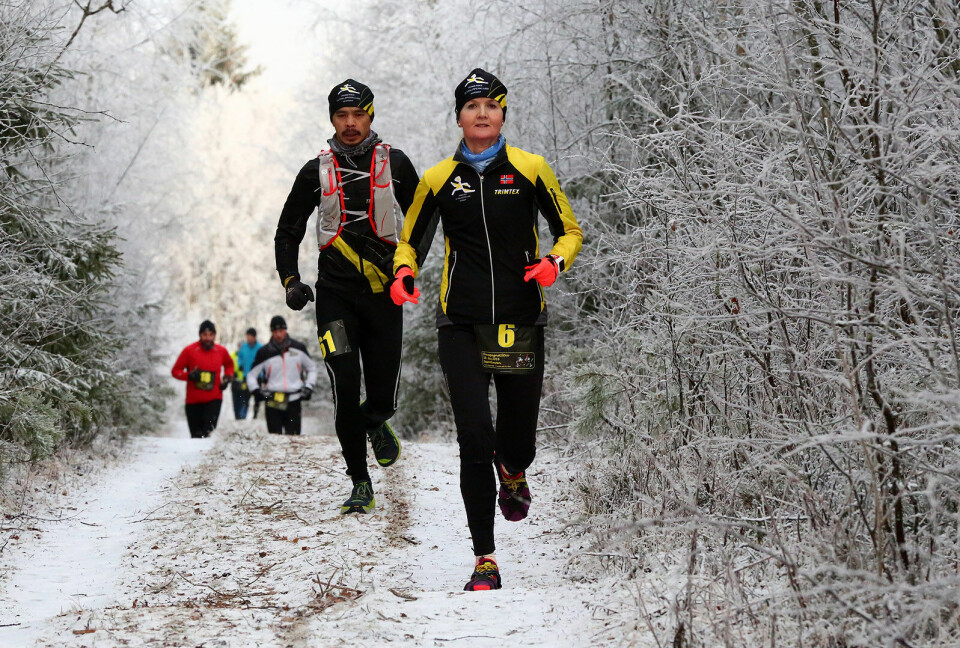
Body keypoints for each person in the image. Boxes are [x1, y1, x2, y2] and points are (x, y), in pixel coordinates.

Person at [391, 68, 583, 591]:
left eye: (491, 106)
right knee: (474, 437)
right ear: (458, 116)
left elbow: (570, 231)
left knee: (516, 438)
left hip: (520, 319)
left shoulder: (530, 168)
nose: (481, 113)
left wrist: (555, 264)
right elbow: (410, 243)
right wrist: (404, 273)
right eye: (471, 106)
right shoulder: (436, 179)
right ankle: (485, 558)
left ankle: (514, 468)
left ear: (502, 115)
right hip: (461, 323)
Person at [274, 79, 423, 514]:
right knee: (344, 385)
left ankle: (375, 421)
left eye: (358, 114)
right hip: (335, 296)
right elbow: (288, 229)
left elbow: (422, 222)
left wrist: (409, 270)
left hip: (384, 295)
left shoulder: (395, 162)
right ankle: (359, 480)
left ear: (371, 115)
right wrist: (290, 280)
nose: (351, 123)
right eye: (342, 115)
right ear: (332, 119)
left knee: (383, 397)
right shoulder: (313, 170)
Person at [246, 316, 317, 436]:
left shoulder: (298, 348)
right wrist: (256, 390)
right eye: (275, 331)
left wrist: (309, 386)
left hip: (294, 399)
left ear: (286, 330)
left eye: (281, 331)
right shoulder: (264, 352)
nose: (278, 334)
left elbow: (312, 368)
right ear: (271, 332)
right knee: (275, 439)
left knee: (294, 439)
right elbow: (251, 375)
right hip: (273, 400)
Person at [171, 320, 235, 438]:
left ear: (214, 336)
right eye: (204, 335)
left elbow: (229, 365)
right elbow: (175, 371)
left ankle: (210, 456)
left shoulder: (221, 351)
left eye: (211, 335)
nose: (208, 338)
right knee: (196, 436)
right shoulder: (189, 351)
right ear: (200, 335)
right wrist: (189, 375)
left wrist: (227, 377)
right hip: (193, 401)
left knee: (208, 434)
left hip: (214, 398)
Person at [230, 327, 262, 419]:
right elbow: (239, 357)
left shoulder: (260, 348)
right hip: (246, 376)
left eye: (250, 337)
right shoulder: (243, 346)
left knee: (257, 397)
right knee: (245, 397)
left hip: (258, 376)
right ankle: (243, 415)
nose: (248, 338)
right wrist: (240, 365)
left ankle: (255, 416)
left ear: (254, 337)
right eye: (247, 336)